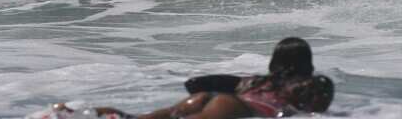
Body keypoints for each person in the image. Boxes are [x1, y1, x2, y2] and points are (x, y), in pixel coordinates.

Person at [38, 75, 334, 118]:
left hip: (213, 98)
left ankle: (69, 112)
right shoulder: (289, 109)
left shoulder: (259, 83)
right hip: (231, 109)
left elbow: (194, 83)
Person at [186, 37, 314, 94]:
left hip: (229, 107)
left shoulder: (253, 83)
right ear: (308, 64)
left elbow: (192, 83)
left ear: (273, 63)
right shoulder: (311, 86)